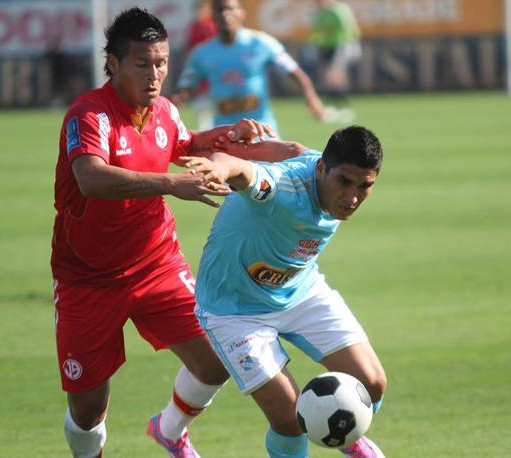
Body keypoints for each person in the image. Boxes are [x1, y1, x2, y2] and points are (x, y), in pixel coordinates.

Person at [51, 7, 291, 458]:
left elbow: (183, 144)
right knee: (87, 411)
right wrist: (170, 184)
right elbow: (91, 178)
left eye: (161, 62)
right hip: (87, 279)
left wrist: (227, 134)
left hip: (155, 265)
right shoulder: (89, 114)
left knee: (216, 361)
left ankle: (170, 429)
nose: (155, 73)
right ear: (114, 64)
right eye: (142, 63)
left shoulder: (163, 110)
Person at [182, 125, 387, 457]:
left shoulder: (316, 162)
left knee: (373, 382)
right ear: (322, 168)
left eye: (365, 186)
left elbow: (292, 148)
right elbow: (245, 173)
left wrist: (254, 146)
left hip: (299, 290)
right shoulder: (281, 188)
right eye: (344, 182)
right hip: (234, 310)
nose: (352, 198)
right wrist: (221, 165)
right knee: (290, 418)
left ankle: (345, 429)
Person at [175, 0, 326, 136]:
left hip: (263, 133)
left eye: (231, 9)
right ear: (213, 15)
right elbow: (185, 86)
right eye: (220, 9)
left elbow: (293, 71)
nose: (226, 14)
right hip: (225, 137)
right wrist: (175, 108)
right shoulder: (201, 53)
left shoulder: (261, 43)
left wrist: (311, 97)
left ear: (242, 13)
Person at [305, 0, 361, 122]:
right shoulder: (319, 13)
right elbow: (316, 31)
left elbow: (349, 28)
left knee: (335, 75)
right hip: (325, 47)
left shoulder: (338, 10)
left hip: (340, 45)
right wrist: (314, 43)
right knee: (327, 77)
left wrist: (353, 44)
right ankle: (333, 106)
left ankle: (344, 106)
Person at [183, 0, 218, 130]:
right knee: (200, 106)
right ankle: (205, 131)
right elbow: (189, 48)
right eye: (196, 9)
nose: (198, 12)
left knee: (212, 104)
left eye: (201, 9)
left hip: (211, 71)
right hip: (198, 71)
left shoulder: (212, 26)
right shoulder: (193, 27)